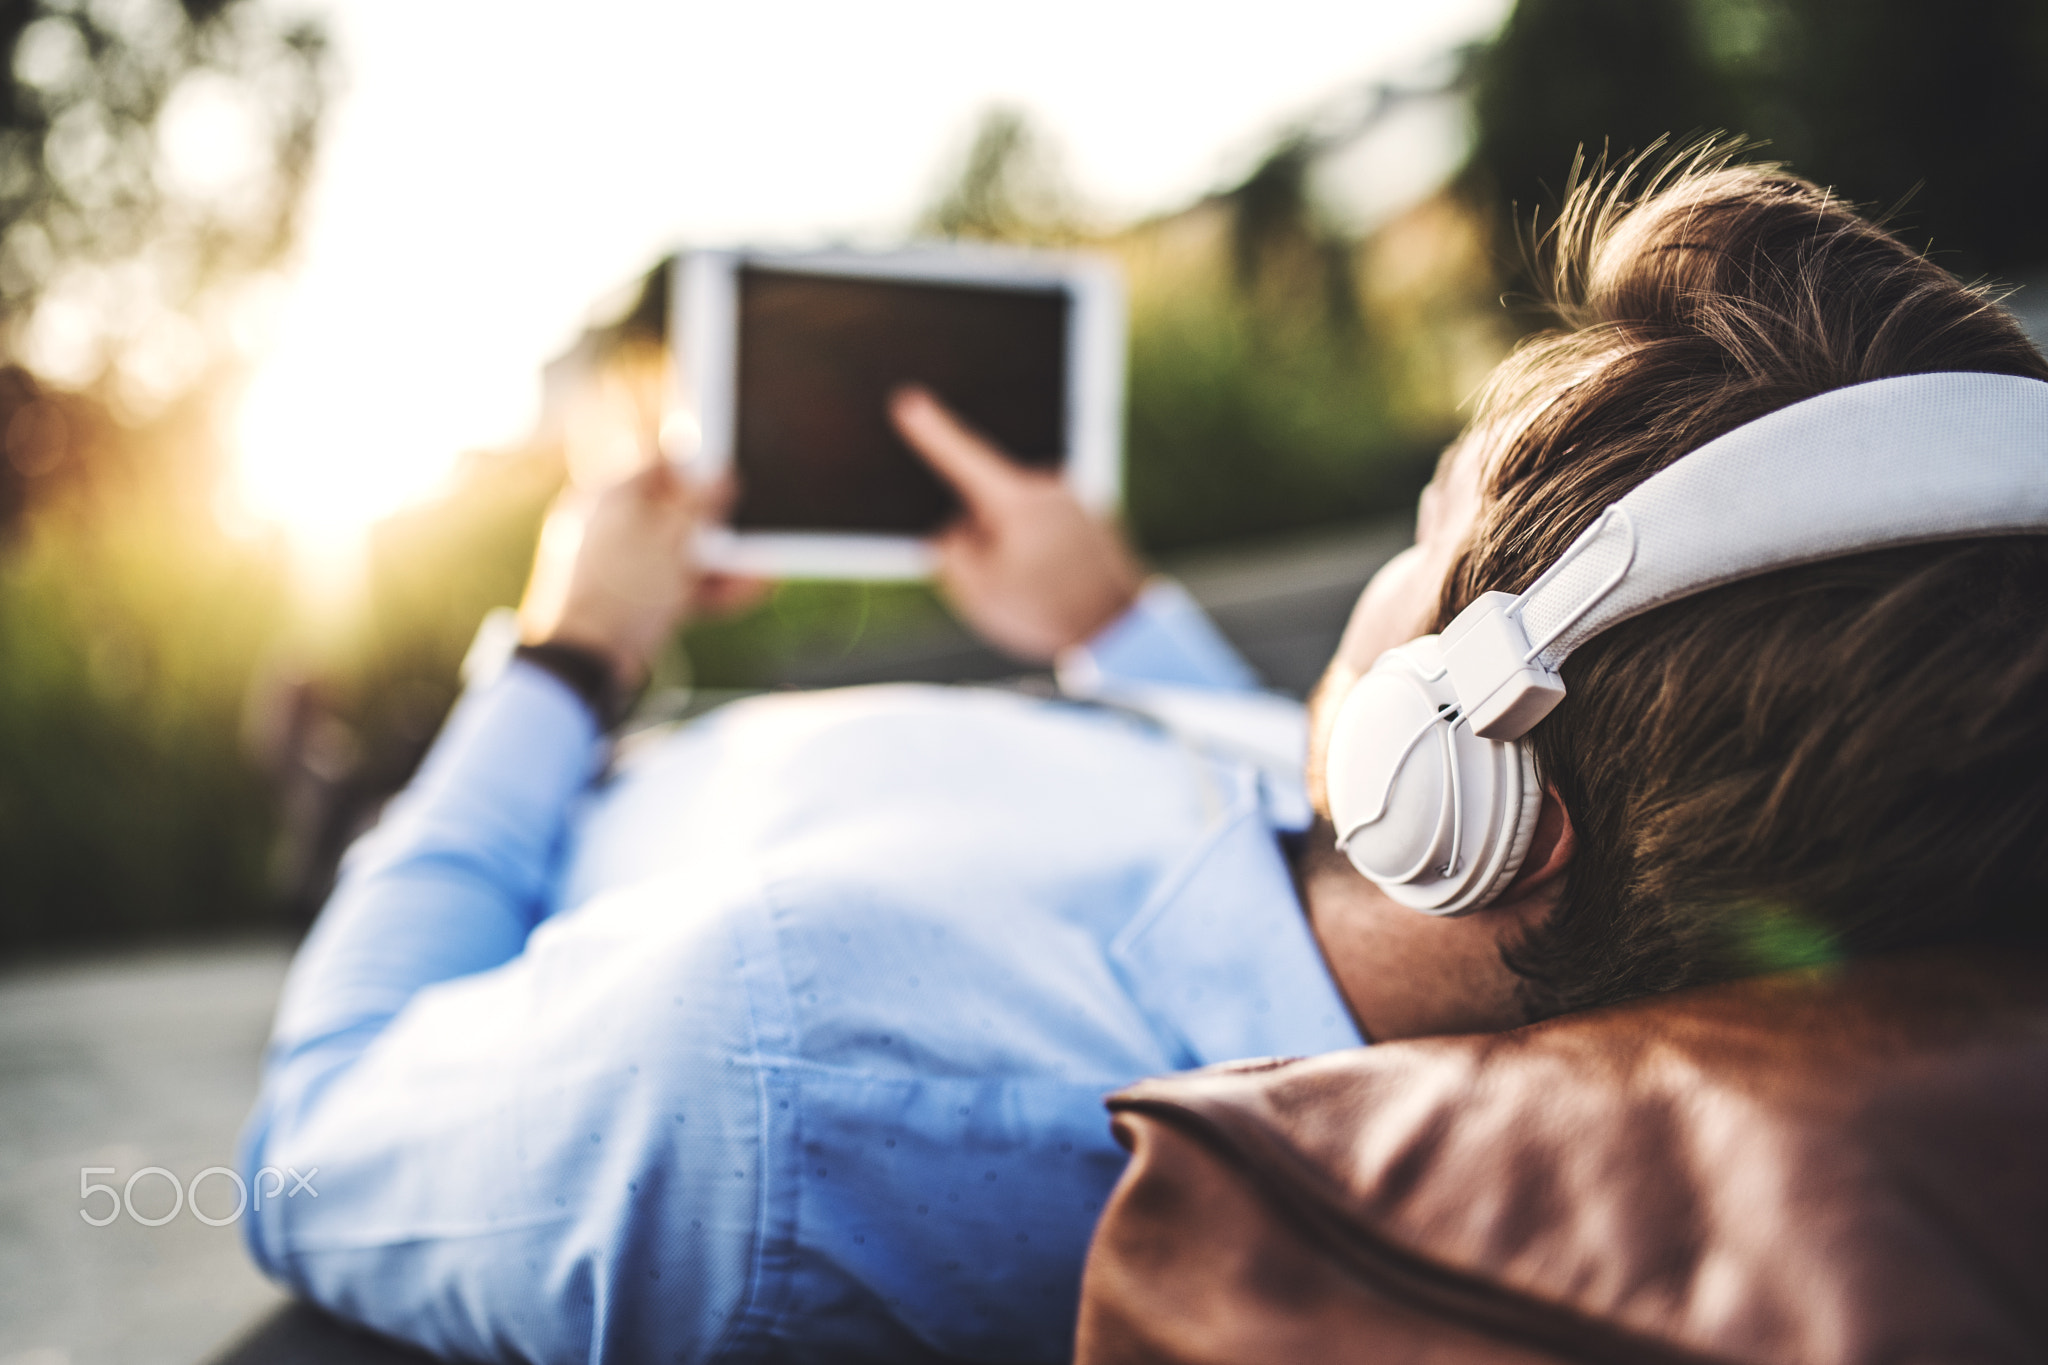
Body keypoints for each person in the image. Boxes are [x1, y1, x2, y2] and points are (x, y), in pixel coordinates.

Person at [238, 151, 2048, 1362]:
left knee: (354, 805)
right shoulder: (1447, 876)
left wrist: (567, 655)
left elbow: (311, 1128)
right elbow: (1301, 816)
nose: (1408, 538)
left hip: (503, 858)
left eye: (1440, 530)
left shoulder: (777, 1068)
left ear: (1472, 791)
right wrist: (1114, 623)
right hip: (904, 762)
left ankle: (336, 803)